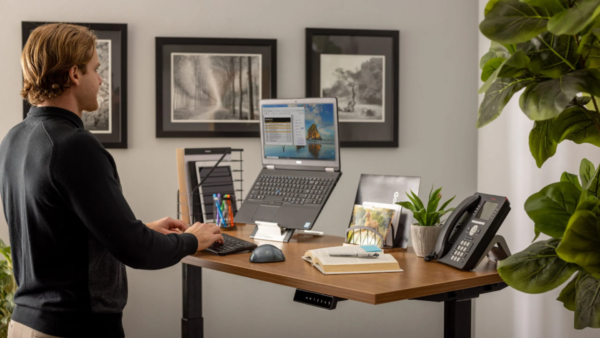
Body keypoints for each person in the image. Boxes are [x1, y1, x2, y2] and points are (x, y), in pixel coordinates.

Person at [0, 23, 224, 338]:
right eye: (96, 69)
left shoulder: (14, 139)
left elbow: (61, 235)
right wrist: (193, 239)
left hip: (25, 325)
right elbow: (136, 251)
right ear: (74, 75)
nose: (101, 79)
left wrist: (140, 229)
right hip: (76, 329)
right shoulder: (73, 145)